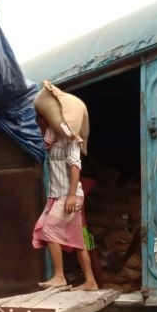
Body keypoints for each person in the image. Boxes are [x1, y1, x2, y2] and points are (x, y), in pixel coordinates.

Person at [32, 117, 98, 291]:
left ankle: (60, 276)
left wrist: (70, 195)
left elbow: (75, 166)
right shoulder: (52, 139)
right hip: (59, 195)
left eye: (41, 119)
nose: (39, 123)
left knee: (48, 230)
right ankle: (90, 281)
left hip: (68, 196)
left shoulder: (71, 139)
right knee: (78, 242)